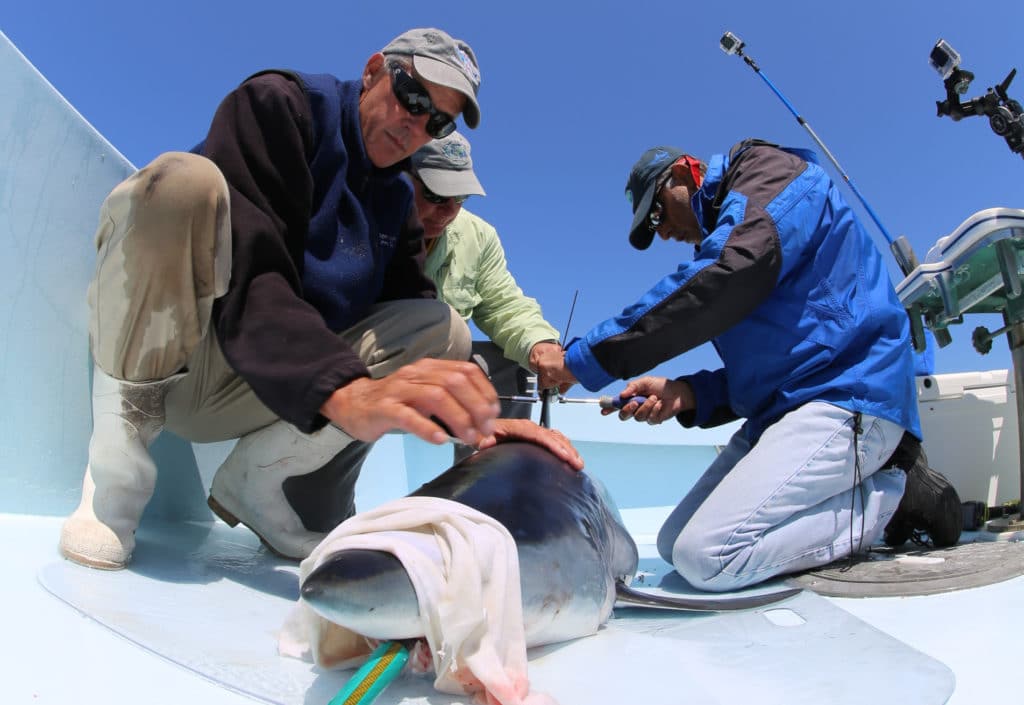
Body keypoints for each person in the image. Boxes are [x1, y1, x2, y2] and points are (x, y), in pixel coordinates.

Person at [60, 27, 580, 572]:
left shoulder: (399, 197)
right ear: (376, 68)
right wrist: (346, 390)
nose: (417, 125)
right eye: (414, 97)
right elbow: (256, 276)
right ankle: (113, 481)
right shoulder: (279, 106)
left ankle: (256, 484)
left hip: (264, 393)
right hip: (186, 357)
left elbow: (416, 329)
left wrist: (475, 425)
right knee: (180, 182)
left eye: (438, 121)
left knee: (442, 329)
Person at [544, 139, 962, 591]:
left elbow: (727, 275)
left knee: (706, 557)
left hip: (850, 393)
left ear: (685, 174)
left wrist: (582, 361)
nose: (661, 232)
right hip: (783, 413)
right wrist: (688, 393)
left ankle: (890, 499)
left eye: (658, 214)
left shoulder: (769, 173)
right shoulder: (733, 246)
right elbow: (769, 366)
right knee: (672, 544)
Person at [407, 131, 565, 459]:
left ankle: (483, 487)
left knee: (513, 363)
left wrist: (541, 344)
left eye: (461, 196)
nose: (449, 211)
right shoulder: (364, 213)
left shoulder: (478, 235)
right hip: (368, 367)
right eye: (437, 194)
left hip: (437, 373)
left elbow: (502, 303)